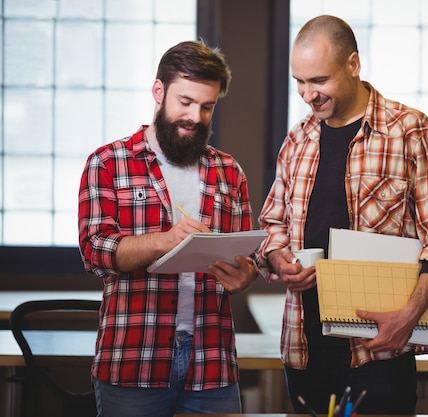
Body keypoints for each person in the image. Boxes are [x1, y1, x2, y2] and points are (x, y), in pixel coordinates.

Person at [254, 15, 428, 414]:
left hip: (380, 349)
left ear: (353, 65)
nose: (306, 95)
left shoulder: (410, 130)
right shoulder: (298, 139)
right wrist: (276, 257)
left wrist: (409, 316)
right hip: (304, 348)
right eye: (298, 82)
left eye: (318, 81)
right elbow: (273, 225)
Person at [78, 40, 258, 417]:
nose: (195, 116)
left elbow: (246, 254)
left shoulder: (228, 171)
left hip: (213, 361)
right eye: (185, 102)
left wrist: (246, 274)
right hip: (134, 358)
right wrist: (166, 241)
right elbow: (96, 251)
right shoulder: (108, 162)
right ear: (158, 92)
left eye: (207, 107)